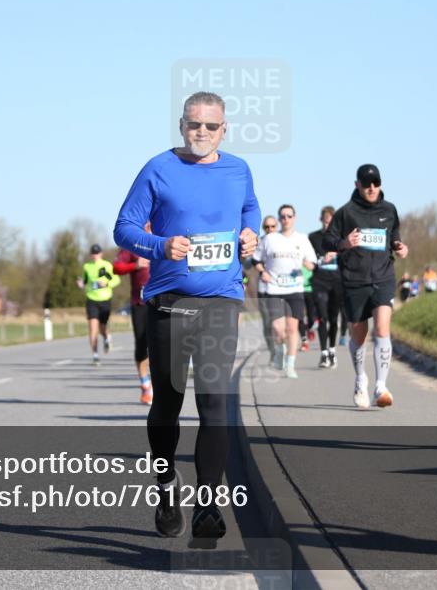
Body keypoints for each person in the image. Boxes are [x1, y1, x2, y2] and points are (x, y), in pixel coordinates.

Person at [113, 91, 260, 546]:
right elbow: (124, 227)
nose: (202, 133)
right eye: (194, 125)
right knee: (168, 405)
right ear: (181, 125)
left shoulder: (238, 169)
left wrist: (251, 233)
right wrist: (160, 246)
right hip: (170, 300)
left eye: (210, 126)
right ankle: (165, 488)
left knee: (215, 402)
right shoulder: (158, 169)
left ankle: (208, 505)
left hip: (222, 299)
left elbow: (249, 209)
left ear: (224, 129)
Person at [324, 164, 408, 409]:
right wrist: (345, 243)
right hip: (354, 280)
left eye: (376, 183)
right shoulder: (345, 213)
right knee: (359, 335)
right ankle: (360, 377)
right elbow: (328, 241)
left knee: (382, 329)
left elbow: (394, 238)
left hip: (383, 278)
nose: (372, 188)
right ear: (357, 185)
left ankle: (381, 386)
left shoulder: (390, 210)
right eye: (366, 184)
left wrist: (400, 247)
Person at [252, 204, 316, 379]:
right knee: (277, 328)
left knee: (291, 329)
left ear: (294, 218)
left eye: (289, 216)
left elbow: (312, 262)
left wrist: (307, 265)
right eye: (283, 216)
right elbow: (256, 260)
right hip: (274, 287)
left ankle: (290, 364)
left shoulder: (302, 239)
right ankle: (280, 349)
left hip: (295, 288)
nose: (285, 219)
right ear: (279, 219)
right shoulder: (270, 239)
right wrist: (262, 272)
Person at [113, 224, 153, 405]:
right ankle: (145, 384)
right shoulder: (132, 243)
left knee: (161, 343)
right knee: (141, 343)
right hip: (139, 302)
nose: (148, 224)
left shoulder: (165, 237)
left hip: (161, 300)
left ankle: (157, 384)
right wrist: (135, 265)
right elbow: (117, 267)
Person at [309, 205, 342, 368]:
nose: (327, 224)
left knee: (334, 319)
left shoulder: (341, 237)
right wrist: (313, 261)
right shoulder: (313, 237)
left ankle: (332, 350)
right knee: (322, 317)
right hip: (320, 281)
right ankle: (323, 354)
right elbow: (307, 257)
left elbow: (350, 254)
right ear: (321, 220)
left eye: (331, 221)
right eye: (325, 221)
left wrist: (336, 253)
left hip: (337, 281)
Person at [79, 244, 121, 366]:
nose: (95, 255)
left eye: (97, 253)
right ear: (91, 254)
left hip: (105, 299)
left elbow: (116, 280)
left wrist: (106, 284)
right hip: (91, 299)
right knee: (93, 328)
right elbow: (85, 282)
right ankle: (95, 356)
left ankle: (107, 338)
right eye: (93, 253)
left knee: (102, 328)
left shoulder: (106, 266)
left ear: (101, 253)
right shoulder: (87, 267)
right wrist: (82, 285)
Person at [253, 216, 278, 363]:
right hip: (263, 289)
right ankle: (273, 351)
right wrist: (261, 272)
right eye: (267, 227)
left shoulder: (283, 242)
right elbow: (250, 264)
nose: (270, 230)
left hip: (281, 290)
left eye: (273, 226)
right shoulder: (259, 243)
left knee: (279, 323)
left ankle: (283, 349)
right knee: (268, 323)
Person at [300, 264, 316, 352]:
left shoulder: (309, 256)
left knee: (311, 316)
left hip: (310, 290)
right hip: (297, 290)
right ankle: (304, 340)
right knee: (299, 316)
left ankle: (310, 328)